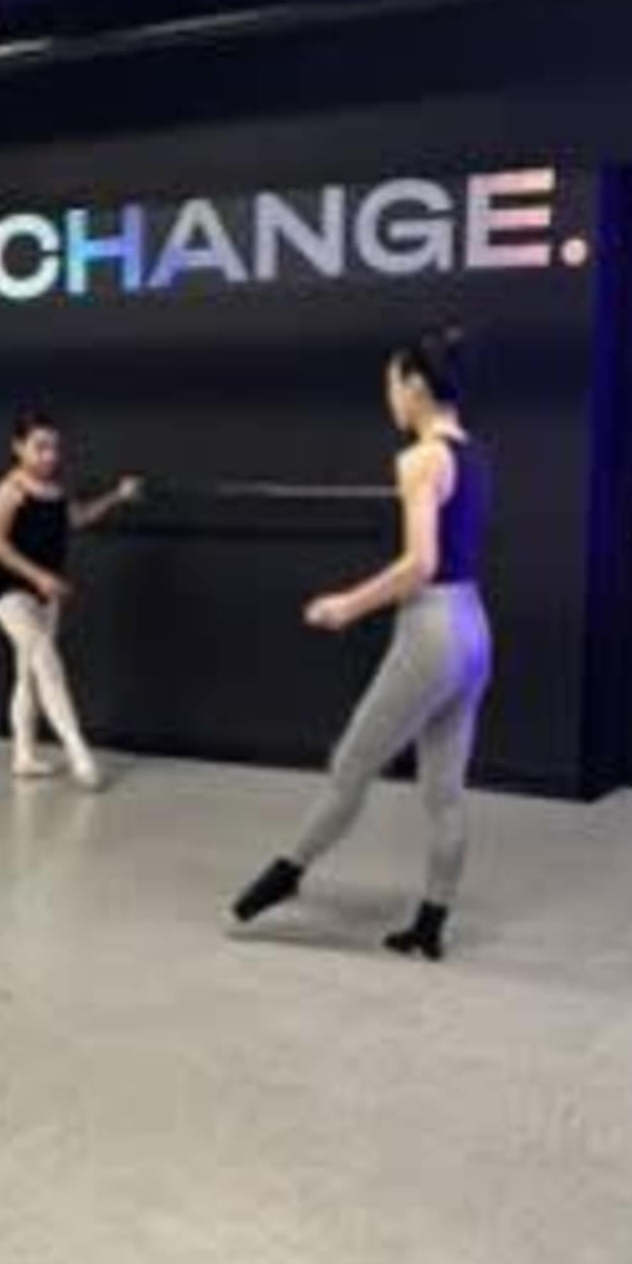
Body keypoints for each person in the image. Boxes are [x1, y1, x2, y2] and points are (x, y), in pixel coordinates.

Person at [231, 329, 491, 961]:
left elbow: (420, 562)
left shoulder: (420, 459)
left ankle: (286, 873)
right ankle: (430, 925)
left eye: (391, 384)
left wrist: (348, 604)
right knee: (445, 791)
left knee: (350, 766)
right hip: (474, 629)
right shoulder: (475, 453)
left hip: (429, 629)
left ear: (416, 385)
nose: (389, 399)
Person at [0, 413, 141, 785]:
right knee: (44, 658)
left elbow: (78, 518)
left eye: (54, 447)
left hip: (46, 593)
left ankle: (22, 755)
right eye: (40, 447)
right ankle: (78, 751)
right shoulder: (10, 490)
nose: (49, 455)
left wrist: (116, 497)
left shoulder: (56, 491)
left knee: (27, 672)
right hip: (11, 592)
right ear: (18, 447)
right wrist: (38, 576)